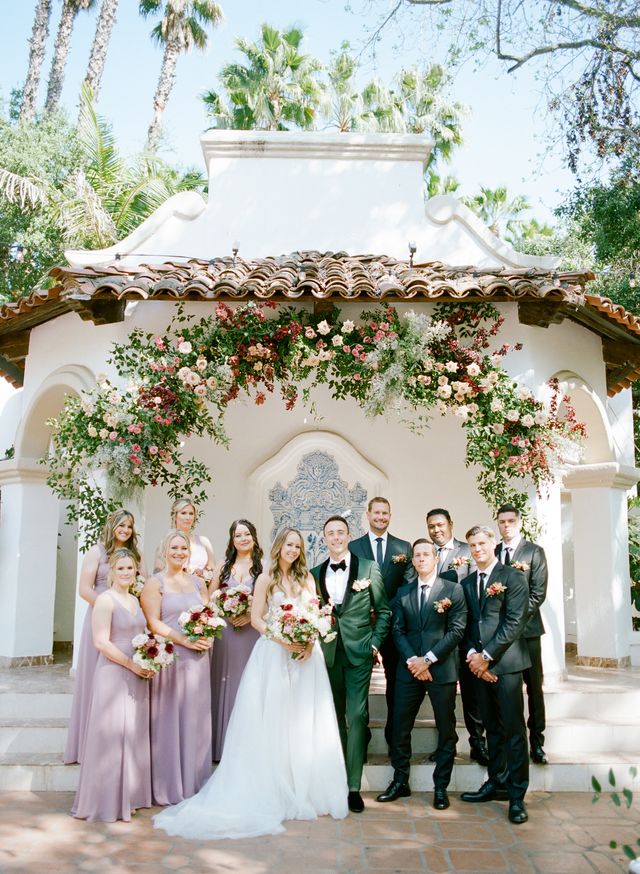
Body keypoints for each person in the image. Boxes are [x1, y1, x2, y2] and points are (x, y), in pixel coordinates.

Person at [153, 527, 348, 839]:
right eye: (289, 544)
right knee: (274, 718)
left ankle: (304, 785)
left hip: (305, 657)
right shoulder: (266, 578)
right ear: (279, 546)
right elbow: (257, 619)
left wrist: (309, 641)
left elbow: (314, 615)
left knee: (303, 719)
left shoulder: (307, 579)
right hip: (274, 653)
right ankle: (276, 785)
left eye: (297, 546)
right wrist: (283, 640)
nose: (293, 550)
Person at [377, 540, 466, 810]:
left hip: (441, 669)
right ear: (413, 560)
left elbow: (456, 630)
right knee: (400, 726)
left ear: (436, 558)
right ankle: (400, 780)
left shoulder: (453, 590)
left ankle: (441, 787)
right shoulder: (403, 592)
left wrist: (427, 660)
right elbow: (397, 630)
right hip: (409, 670)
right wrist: (413, 661)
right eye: (417, 555)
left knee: (446, 729)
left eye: (426, 554)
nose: (421, 559)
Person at [311, 515, 391, 813]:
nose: (336, 537)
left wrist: (374, 643)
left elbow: (384, 611)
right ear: (324, 538)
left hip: (359, 653)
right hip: (328, 654)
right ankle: (338, 777)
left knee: (356, 716)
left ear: (348, 535)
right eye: (330, 533)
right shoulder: (314, 573)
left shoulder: (368, 568)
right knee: (334, 717)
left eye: (340, 532)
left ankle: (353, 787)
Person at [71, 548, 154, 822]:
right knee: (110, 735)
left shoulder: (135, 600)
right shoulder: (105, 600)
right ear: (112, 572)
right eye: (121, 568)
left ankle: (127, 797)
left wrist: (151, 657)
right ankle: (104, 801)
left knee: (131, 734)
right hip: (114, 672)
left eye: (130, 568)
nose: (126, 573)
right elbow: (101, 642)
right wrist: (131, 664)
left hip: (137, 673)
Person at [459, 525, 531, 825]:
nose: (477, 549)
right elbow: (467, 624)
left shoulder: (512, 577)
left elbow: (515, 621)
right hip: (478, 668)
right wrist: (473, 658)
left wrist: (487, 657)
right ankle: (496, 782)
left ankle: (517, 796)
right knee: (492, 729)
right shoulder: (467, 582)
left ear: (493, 544)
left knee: (514, 731)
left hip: (507, 665)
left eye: (481, 544)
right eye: (472, 545)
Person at [64, 509, 146, 765]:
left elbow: (141, 585)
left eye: (129, 526)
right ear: (111, 526)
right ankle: (87, 746)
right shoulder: (96, 552)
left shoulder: (135, 555)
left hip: (127, 623)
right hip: (101, 616)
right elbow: (84, 589)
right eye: (121, 525)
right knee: (95, 677)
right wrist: (110, 605)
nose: (125, 530)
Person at [141, 529, 213, 806]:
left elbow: (207, 615)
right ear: (165, 551)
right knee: (170, 720)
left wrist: (208, 635)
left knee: (195, 720)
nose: (180, 553)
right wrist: (184, 640)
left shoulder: (198, 582)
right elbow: (153, 622)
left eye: (184, 549)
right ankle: (169, 783)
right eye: (174, 548)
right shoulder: (155, 583)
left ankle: (194, 781)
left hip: (198, 660)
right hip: (172, 658)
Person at [427, 507, 488, 767]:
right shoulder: (426, 553)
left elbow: (475, 587)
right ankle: (446, 744)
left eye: (440, 525)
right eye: (431, 526)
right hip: (438, 636)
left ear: (450, 524)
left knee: (472, 693)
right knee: (445, 695)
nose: (436, 530)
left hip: (466, 632)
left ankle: (477, 743)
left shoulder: (467, 551)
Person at [350, 497, 412, 751]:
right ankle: (361, 735)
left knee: (395, 682)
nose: (380, 517)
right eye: (376, 513)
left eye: (385, 513)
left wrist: (386, 611)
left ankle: (393, 734)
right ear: (368, 514)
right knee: (360, 681)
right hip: (364, 626)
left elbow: (408, 586)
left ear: (390, 515)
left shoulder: (403, 547)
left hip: (394, 625)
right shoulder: (354, 546)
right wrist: (367, 609)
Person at [495, 503, 549, 765]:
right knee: (508, 689)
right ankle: (510, 742)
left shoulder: (534, 552)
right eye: (502, 521)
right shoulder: (494, 551)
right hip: (501, 635)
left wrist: (514, 620)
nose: (506, 526)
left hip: (527, 632)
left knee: (534, 687)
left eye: (511, 521)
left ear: (520, 522)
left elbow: (538, 594)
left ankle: (537, 741)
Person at [209, 519, 262, 760]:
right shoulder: (223, 566)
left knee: (247, 684)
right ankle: (221, 747)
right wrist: (225, 612)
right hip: (226, 633)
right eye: (238, 535)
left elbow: (268, 600)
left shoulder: (263, 567)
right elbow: (210, 596)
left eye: (247, 534)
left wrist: (250, 615)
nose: (243, 538)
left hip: (251, 633)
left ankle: (246, 748)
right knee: (224, 682)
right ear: (232, 540)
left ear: (254, 537)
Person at [155, 498, 216, 580]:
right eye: (183, 513)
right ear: (175, 515)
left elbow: (213, 569)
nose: (188, 517)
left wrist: (204, 574)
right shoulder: (166, 542)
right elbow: (158, 571)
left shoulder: (204, 541)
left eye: (191, 514)